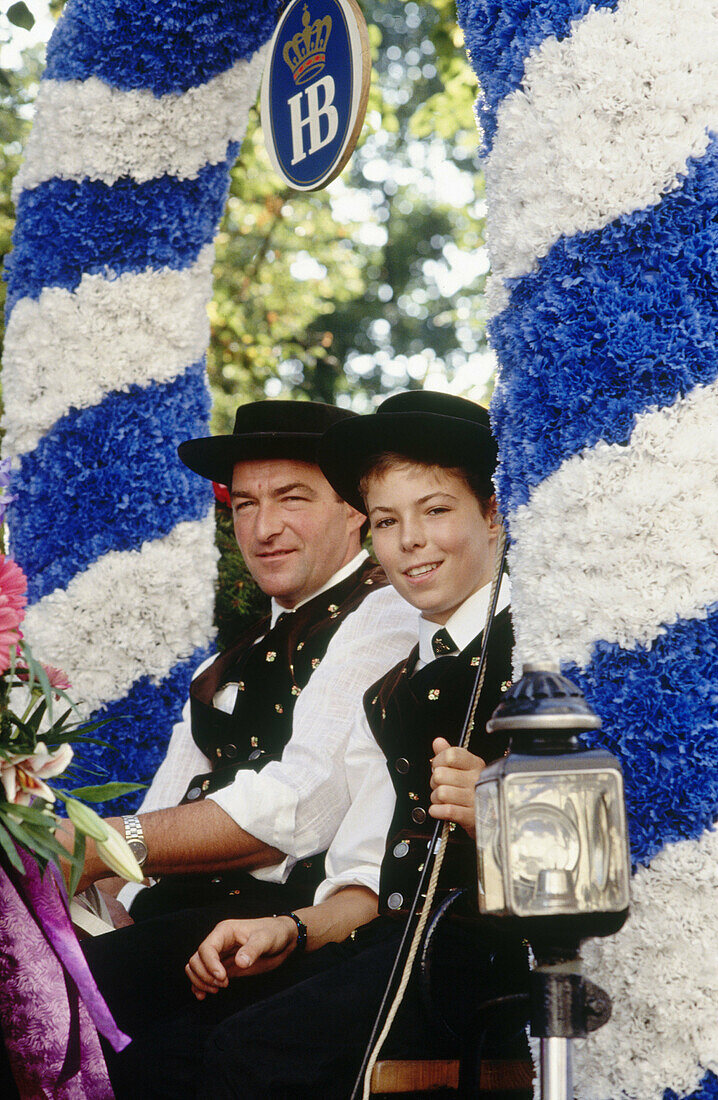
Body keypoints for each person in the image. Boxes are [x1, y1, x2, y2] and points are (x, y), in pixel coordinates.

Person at [102, 391, 529, 1098]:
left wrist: (507, 823)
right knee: (164, 1060)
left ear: (493, 513)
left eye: (436, 511)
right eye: (390, 520)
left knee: (252, 1053)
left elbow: (602, 843)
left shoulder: (539, 657)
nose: (410, 541)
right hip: (382, 942)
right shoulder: (392, 686)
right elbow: (368, 879)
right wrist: (291, 931)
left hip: (486, 963)